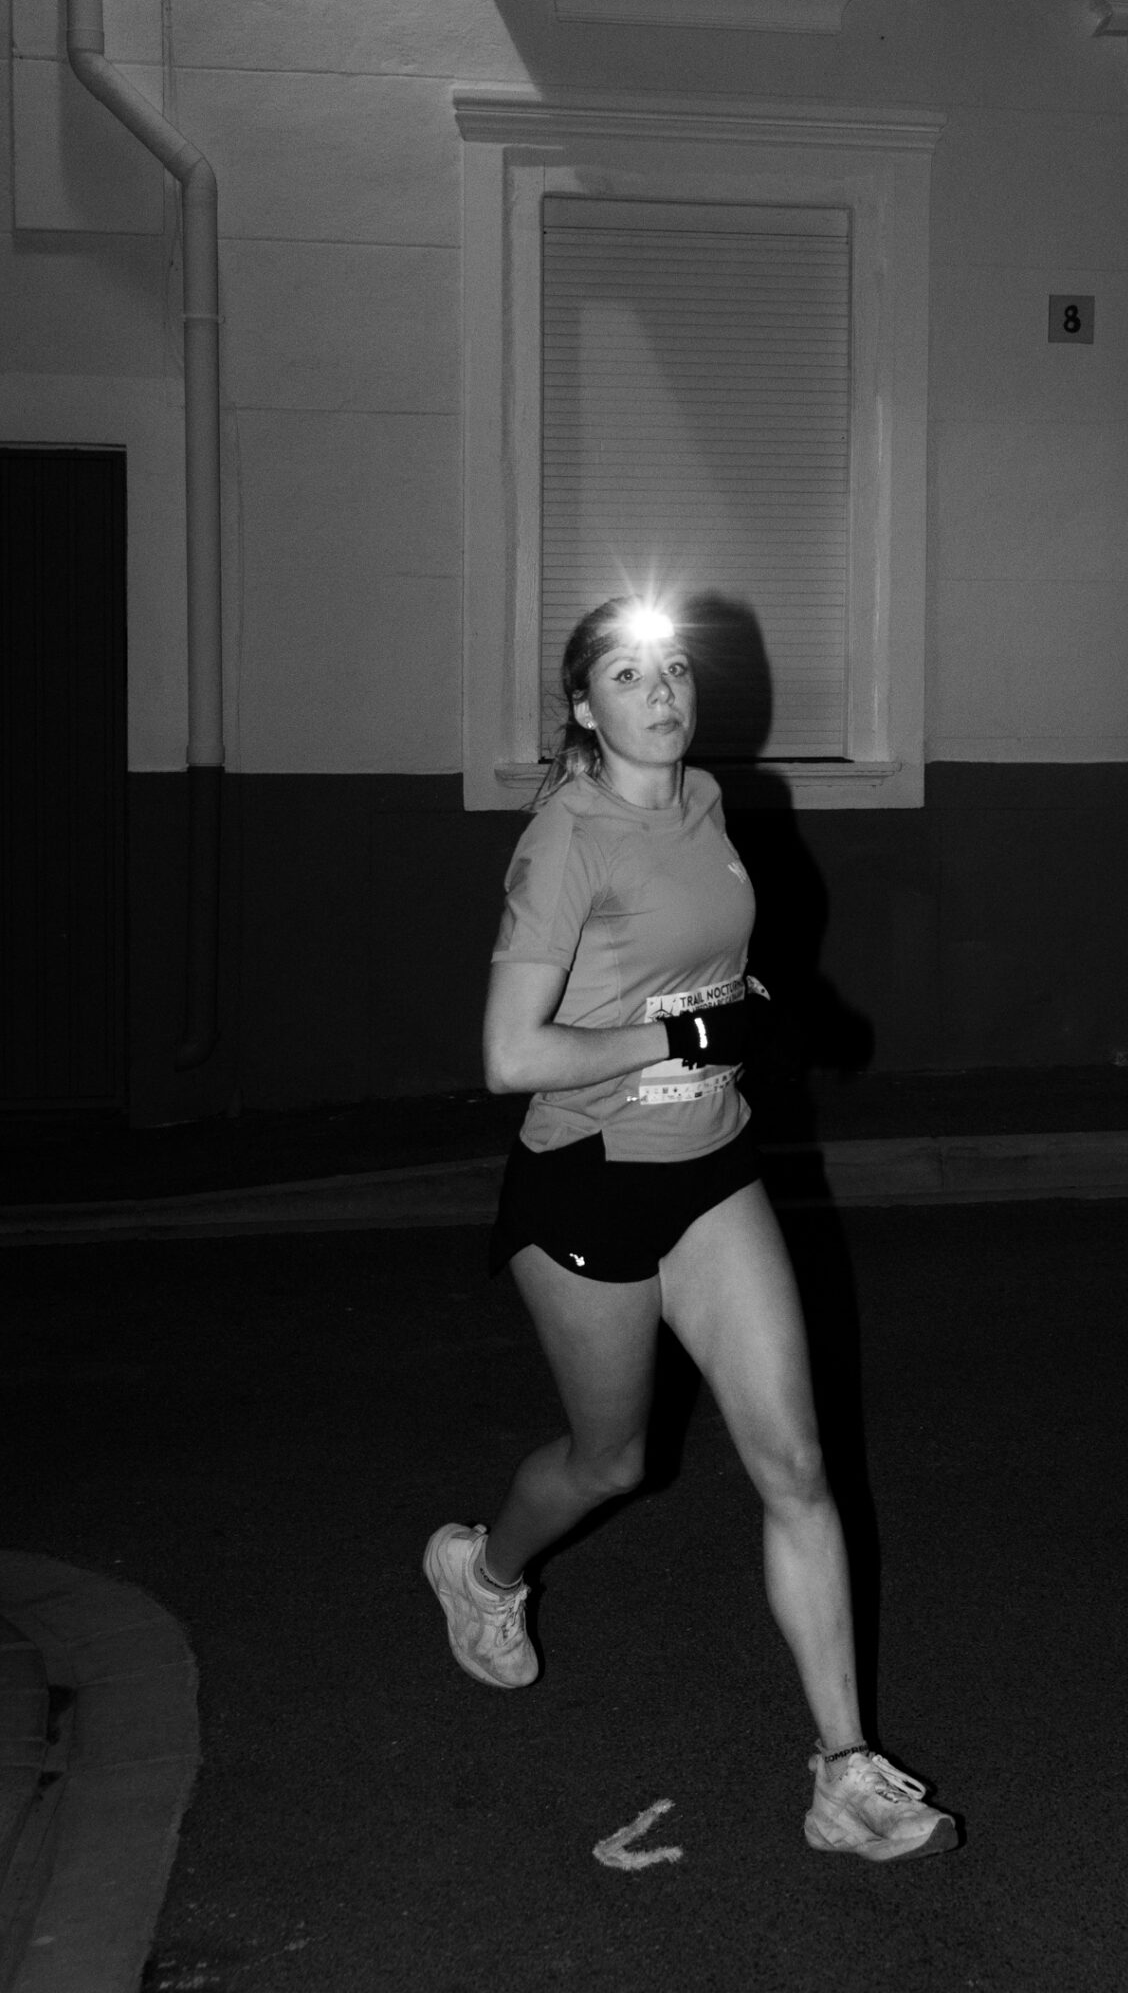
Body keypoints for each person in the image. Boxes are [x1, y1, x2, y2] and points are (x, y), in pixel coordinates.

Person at [423, 594, 956, 1863]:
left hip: (713, 1167)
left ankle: (846, 1775)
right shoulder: (567, 838)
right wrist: (687, 1032)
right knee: (612, 1462)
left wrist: (776, 1010)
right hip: (588, 1180)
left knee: (798, 1464)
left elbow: (704, 968)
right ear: (582, 705)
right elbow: (509, 1056)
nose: (660, 690)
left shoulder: (707, 800)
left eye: (671, 667)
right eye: (625, 673)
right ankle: (482, 1572)